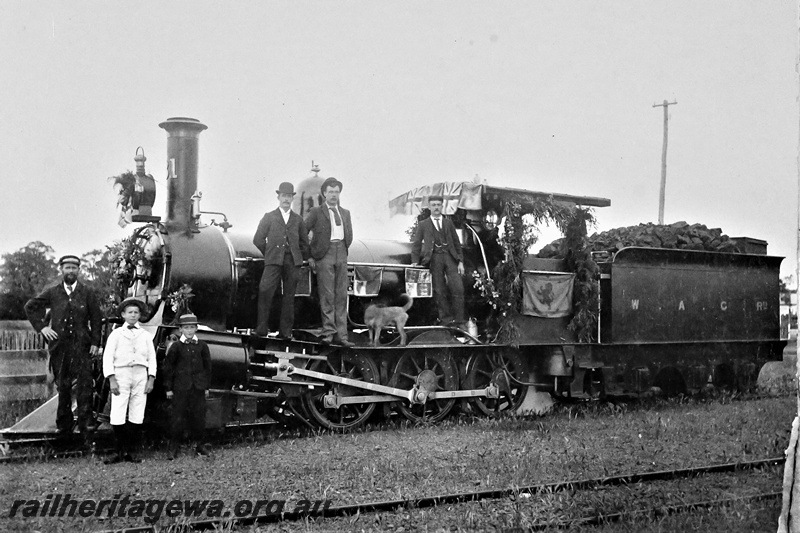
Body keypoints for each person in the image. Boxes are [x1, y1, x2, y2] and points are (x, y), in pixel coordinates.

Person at [24, 255, 103, 442]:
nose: (70, 271)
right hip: (60, 347)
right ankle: (64, 427)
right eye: (67, 268)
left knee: (85, 386)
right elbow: (30, 307)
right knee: (64, 386)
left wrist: (95, 343)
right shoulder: (53, 293)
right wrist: (42, 328)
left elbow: (97, 319)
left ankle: (86, 425)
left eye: (74, 268)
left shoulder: (87, 292)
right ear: (61, 270)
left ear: (78, 270)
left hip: (82, 347)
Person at [252, 181, 310, 339]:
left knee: (289, 297)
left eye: (289, 196)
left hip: (292, 263)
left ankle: (285, 332)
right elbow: (258, 239)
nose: (286, 199)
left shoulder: (298, 220)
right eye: (283, 196)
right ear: (278, 197)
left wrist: (297, 256)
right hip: (273, 261)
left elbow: (305, 244)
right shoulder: (269, 217)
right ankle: (262, 329)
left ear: (292, 199)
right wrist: (270, 253)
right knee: (265, 291)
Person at [101, 298, 156, 464]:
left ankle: (130, 452)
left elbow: (151, 358)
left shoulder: (145, 335)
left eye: (136, 312)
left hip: (140, 375)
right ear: (123, 314)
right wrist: (112, 379)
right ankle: (118, 452)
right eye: (130, 312)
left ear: (140, 315)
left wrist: (150, 379)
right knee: (118, 413)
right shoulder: (116, 334)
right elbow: (108, 357)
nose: (133, 315)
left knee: (137, 413)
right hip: (121, 375)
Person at [305, 177, 354, 347]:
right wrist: (310, 256)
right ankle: (329, 333)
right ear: (324, 194)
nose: (334, 195)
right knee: (327, 295)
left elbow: (349, 234)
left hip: (341, 252)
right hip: (324, 254)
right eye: (330, 192)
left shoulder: (345, 213)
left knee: (341, 295)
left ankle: (342, 335)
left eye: (336, 192)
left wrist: (344, 249)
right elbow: (303, 232)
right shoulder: (316, 212)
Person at [411, 195, 466, 328]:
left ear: (442, 206)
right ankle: (446, 320)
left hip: (450, 257)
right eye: (434, 205)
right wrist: (414, 261)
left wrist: (460, 262)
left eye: (438, 205)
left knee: (458, 288)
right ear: (429, 207)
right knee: (439, 290)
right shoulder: (423, 224)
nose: (436, 207)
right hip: (434, 258)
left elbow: (457, 243)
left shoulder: (448, 223)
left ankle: (459, 321)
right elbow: (417, 244)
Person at [163, 313, 212, 459]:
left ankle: (199, 445)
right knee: (177, 417)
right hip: (181, 387)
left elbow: (207, 368)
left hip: (198, 387)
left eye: (192, 327)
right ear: (180, 329)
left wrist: (206, 387)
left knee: (198, 417)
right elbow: (168, 368)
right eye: (186, 328)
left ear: (196, 328)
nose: (189, 331)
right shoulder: (176, 347)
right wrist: (168, 388)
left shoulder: (202, 346)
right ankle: (174, 446)